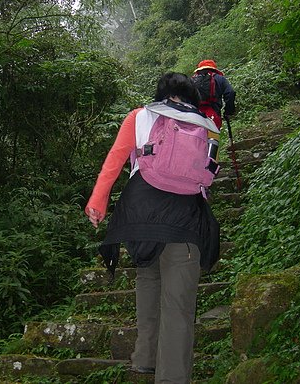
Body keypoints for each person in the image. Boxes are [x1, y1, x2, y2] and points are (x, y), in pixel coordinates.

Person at [85, 72, 220, 384]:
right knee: (179, 304)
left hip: (142, 213)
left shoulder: (139, 116)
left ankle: (145, 357)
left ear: (160, 93)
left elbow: (114, 160)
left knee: (148, 278)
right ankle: (171, 377)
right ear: (192, 98)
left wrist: (98, 202)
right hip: (186, 220)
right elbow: (207, 176)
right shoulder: (206, 126)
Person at [192, 59, 236, 129]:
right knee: (212, 138)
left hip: (194, 116)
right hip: (213, 115)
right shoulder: (220, 79)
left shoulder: (192, 80)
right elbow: (230, 93)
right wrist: (228, 112)